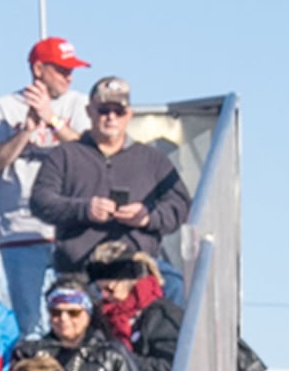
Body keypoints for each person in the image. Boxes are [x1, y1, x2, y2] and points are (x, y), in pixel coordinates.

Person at [35, 76, 192, 277]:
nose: (111, 117)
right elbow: (41, 201)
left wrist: (147, 217)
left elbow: (180, 205)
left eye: (119, 111)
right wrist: (84, 209)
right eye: (103, 110)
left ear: (129, 115)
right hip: (79, 272)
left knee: (175, 287)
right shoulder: (65, 155)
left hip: (137, 271)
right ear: (89, 111)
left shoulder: (153, 160)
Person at [0, 37, 95, 316]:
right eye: (61, 70)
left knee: (77, 318)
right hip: (20, 230)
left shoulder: (80, 104)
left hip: (72, 230)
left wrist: (52, 119)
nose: (69, 76)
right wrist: (26, 132)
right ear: (38, 69)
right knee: (30, 323)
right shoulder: (3, 107)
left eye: (71, 70)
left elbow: (92, 156)